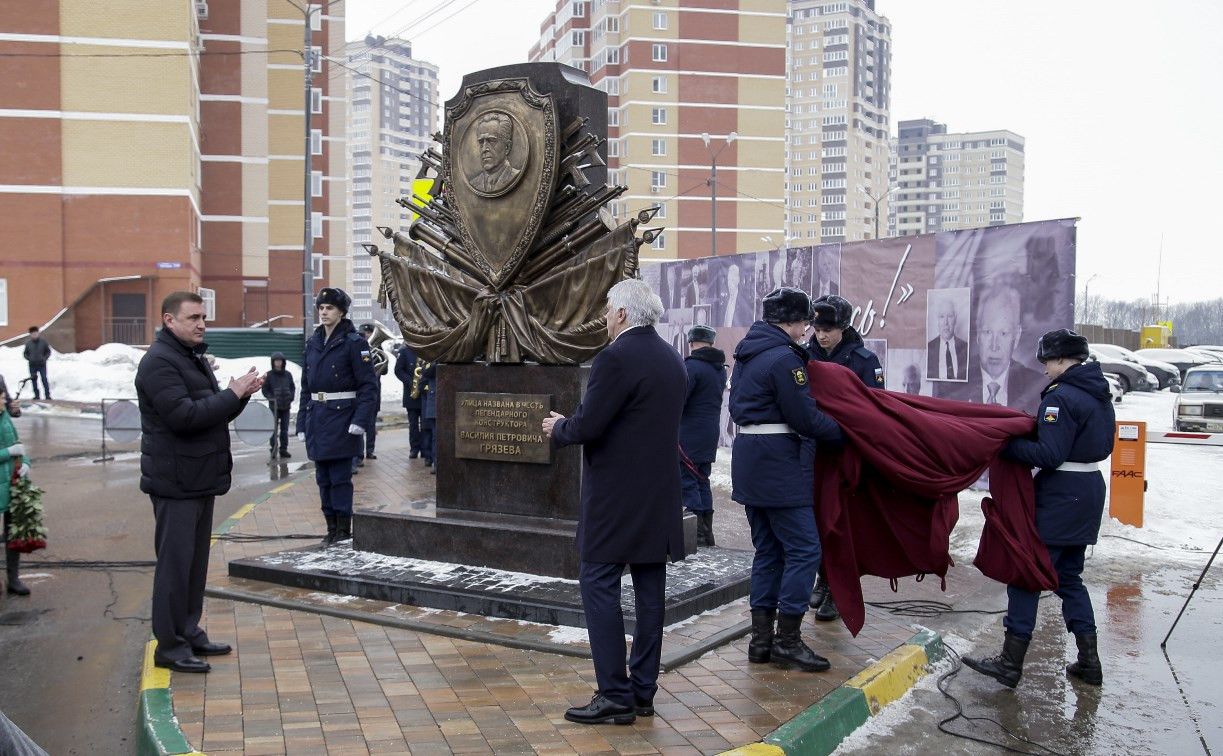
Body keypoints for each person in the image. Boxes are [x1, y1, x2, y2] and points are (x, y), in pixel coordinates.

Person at [542, 278, 687, 726]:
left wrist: (559, 427)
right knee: (649, 593)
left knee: (598, 583)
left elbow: (589, 425)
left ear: (623, 314)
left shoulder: (615, 357)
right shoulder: (671, 357)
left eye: (608, 309)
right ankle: (642, 690)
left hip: (616, 499)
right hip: (659, 494)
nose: (605, 317)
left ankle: (614, 694)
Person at [964, 329, 1115, 689]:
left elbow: (1050, 455)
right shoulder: (1099, 392)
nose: (1045, 368)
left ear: (1062, 359)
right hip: (1089, 491)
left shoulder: (1061, 398)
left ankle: (1010, 664)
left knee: (1026, 574)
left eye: (1047, 361)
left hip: (1062, 495)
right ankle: (1089, 661)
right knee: (1069, 578)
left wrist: (1005, 447)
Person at [135, 291, 263, 673]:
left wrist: (238, 396)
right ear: (169, 320)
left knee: (193, 566)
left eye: (203, 317)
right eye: (193, 318)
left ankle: (188, 632)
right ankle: (170, 647)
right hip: (175, 482)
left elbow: (211, 412)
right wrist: (230, 393)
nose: (201, 324)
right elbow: (185, 417)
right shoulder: (159, 363)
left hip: (197, 479)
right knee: (175, 568)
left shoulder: (189, 358)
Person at [730, 287, 843, 672]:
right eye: (805, 323)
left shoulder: (749, 351)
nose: (807, 330)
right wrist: (843, 432)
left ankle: (761, 642)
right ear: (793, 321)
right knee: (804, 550)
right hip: (779, 466)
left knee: (768, 551)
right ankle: (788, 642)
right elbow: (804, 418)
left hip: (751, 462)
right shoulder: (784, 359)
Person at [804, 294, 883, 621]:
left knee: (841, 524)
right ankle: (824, 579)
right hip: (812, 452)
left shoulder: (865, 361)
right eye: (818, 327)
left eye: (829, 329)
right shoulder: (803, 355)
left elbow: (875, 409)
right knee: (817, 521)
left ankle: (839, 589)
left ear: (845, 327)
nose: (821, 335)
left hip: (845, 452)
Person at [296, 289, 379, 545]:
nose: (324, 312)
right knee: (322, 478)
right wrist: (301, 421)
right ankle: (330, 527)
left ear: (341, 312)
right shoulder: (313, 342)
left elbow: (368, 386)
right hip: (318, 418)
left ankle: (343, 529)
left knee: (340, 479)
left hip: (343, 419)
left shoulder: (354, 343)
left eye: (329, 308)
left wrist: (360, 421)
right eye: (321, 307)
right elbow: (306, 387)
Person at [679, 325, 727, 547]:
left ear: (691, 343)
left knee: (687, 482)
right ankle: (707, 535)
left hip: (687, 436)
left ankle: (696, 535)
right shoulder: (719, 368)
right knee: (702, 481)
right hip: (709, 435)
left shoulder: (692, 367)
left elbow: (679, 401)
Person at [0, 385, 31, 596]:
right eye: (2, 398)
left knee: (13, 533)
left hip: (11, 484)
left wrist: (25, 461)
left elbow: (17, 442)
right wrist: (8, 452)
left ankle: (13, 579)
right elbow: (11, 448)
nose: (6, 401)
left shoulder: (5, 416)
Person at [468, 111, 521, 193]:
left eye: (491, 141)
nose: (484, 149)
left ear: (507, 147)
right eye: (481, 142)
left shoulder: (517, 177)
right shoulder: (473, 184)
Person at [354, 323, 382, 468]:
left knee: (371, 425)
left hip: (372, 392)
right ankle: (358, 455)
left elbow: (384, 370)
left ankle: (370, 450)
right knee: (358, 425)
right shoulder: (356, 349)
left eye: (368, 333)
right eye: (364, 333)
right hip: (358, 393)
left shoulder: (377, 350)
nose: (366, 335)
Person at [261, 352, 295, 458]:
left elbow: (292, 387)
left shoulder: (288, 374)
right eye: (276, 361)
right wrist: (271, 398)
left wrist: (291, 397)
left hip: (286, 407)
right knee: (273, 430)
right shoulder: (269, 375)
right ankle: (273, 449)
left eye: (280, 361)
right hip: (274, 408)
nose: (278, 363)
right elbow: (265, 389)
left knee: (284, 430)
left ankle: (283, 449)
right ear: (273, 362)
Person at [393, 344, 425, 459]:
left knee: (425, 424)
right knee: (413, 424)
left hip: (424, 393)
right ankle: (414, 448)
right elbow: (398, 370)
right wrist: (409, 381)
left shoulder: (426, 349)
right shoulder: (405, 351)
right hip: (411, 393)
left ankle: (425, 450)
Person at [927, 296, 968, 381]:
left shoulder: (966, 348)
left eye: (950, 316)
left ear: (955, 319)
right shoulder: (928, 349)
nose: (946, 322)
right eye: (942, 317)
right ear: (937, 320)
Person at [418, 359, 438, 473]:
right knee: (436, 437)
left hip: (446, 401)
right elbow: (427, 370)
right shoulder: (431, 357)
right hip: (434, 403)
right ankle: (436, 463)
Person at [22, 327, 51, 401]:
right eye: (33, 334)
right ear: (31, 335)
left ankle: (47, 395)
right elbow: (25, 353)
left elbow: (48, 351)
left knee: (44, 379)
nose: (34, 335)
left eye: (36, 333)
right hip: (32, 365)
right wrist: (29, 358)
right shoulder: (28, 343)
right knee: (34, 380)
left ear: (38, 333)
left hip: (42, 365)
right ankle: (36, 395)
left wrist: (44, 358)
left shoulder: (43, 342)